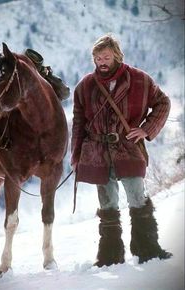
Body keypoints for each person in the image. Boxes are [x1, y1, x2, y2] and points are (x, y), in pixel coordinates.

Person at [71, 34, 172, 267]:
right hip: (97, 151)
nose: (101, 62)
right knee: (107, 205)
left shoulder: (139, 79)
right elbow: (78, 123)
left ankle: (148, 250)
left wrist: (146, 129)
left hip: (128, 148)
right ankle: (110, 256)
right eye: (97, 58)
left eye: (106, 57)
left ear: (116, 55)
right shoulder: (85, 86)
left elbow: (163, 103)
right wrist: (76, 156)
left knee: (137, 198)